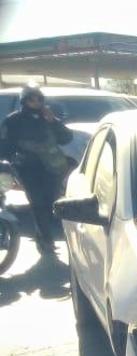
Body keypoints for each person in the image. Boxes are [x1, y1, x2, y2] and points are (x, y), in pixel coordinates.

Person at [0, 83, 72, 256]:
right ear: (25, 100)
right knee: (37, 202)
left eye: (39, 98)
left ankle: (43, 235)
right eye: (32, 98)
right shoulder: (13, 120)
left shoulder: (48, 118)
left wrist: (53, 121)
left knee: (50, 202)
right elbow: (4, 145)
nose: (36, 102)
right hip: (27, 169)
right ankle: (46, 240)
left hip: (51, 168)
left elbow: (66, 138)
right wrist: (12, 158)